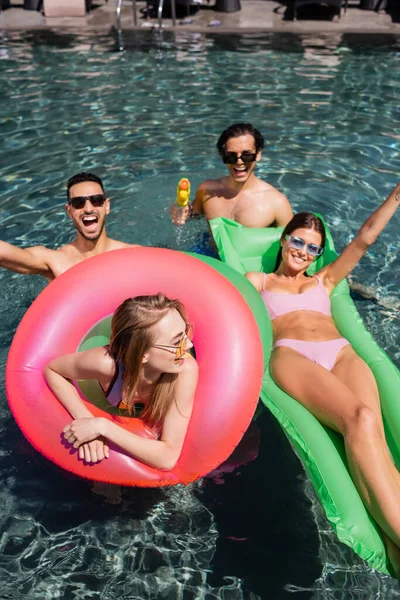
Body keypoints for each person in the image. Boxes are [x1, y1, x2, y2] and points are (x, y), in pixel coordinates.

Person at [245, 182, 400, 567]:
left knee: (373, 432)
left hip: (341, 353)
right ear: (283, 240)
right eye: (298, 242)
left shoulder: (324, 280)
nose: (304, 252)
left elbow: (364, 239)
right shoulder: (257, 282)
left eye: (313, 247)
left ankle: (393, 544)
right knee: (360, 418)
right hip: (293, 355)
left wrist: (396, 196)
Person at [44, 293, 198, 469]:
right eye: (177, 341)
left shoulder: (185, 370)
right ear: (143, 354)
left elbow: (167, 458)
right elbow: (53, 370)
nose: (189, 345)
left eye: (185, 332)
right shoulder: (106, 365)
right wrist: (84, 417)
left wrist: (101, 426)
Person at [0, 172, 139, 283]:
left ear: (107, 206)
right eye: (78, 203)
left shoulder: (134, 254)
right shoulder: (56, 260)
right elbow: (5, 255)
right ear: (69, 211)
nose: (89, 209)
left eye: (96, 200)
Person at [170, 123, 293, 228]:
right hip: (206, 253)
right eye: (231, 156)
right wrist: (181, 213)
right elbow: (193, 216)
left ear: (258, 154)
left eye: (247, 155)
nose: (239, 162)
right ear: (223, 156)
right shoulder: (207, 190)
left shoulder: (277, 203)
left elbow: (292, 244)